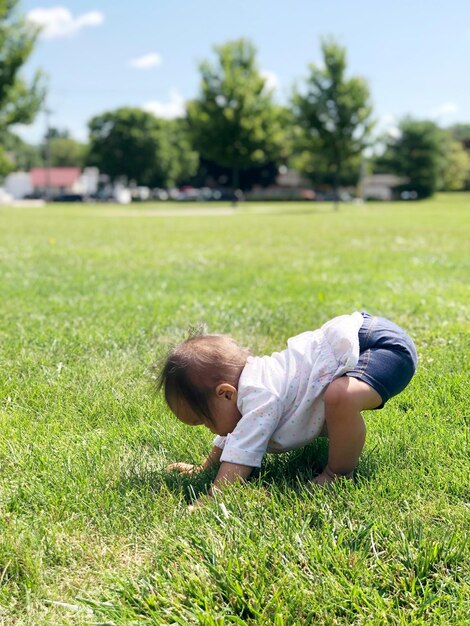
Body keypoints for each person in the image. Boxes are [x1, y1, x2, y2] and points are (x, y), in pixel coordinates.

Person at [158, 312, 417, 504]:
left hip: (380, 347)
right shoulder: (244, 392)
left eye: (205, 421)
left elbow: (242, 451)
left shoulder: (259, 395)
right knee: (334, 399)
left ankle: (337, 473)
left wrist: (213, 499)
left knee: (341, 397)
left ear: (226, 394)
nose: (210, 429)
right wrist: (206, 467)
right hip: (357, 335)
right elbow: (234, 437)